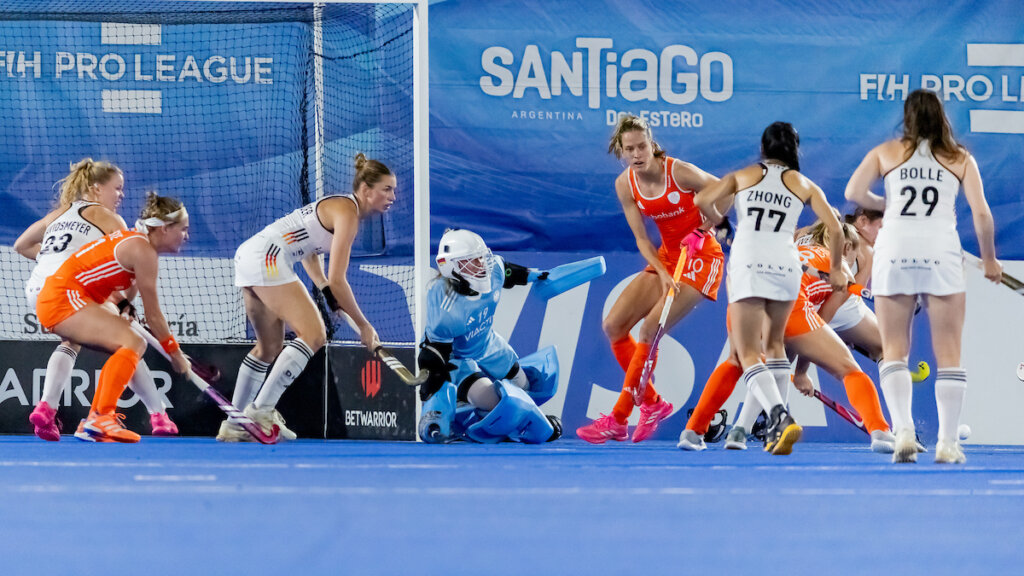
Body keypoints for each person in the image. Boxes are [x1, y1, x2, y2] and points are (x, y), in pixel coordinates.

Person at [845, 89, 1001, 464]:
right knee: (949, 352)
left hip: (895, 250)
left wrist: (887, 203)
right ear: (941, 117)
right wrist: (990, 260)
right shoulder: (959, 157)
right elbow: (981, 214)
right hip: (940, 252)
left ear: (907, 118)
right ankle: (947, 442)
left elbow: (853, 191)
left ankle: (903, 432)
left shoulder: (887, 152)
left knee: (894, 350)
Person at [681, 121, 845, 456]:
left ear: (763, 147)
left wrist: (722, 224)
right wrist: (838, 268)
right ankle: (770, 424)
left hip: (750, 265)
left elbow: (702, 200)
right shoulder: (804, 184)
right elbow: (838, 230)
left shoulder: (743, 176)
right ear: (794, 149)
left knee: (747, 353)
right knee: (774, 345)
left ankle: (778, 415)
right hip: (787, 268)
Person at [217, 153, 393, 443]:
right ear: (366, 189)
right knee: (314, 334)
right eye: (386, 189)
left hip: (251, 255)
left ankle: (234, 423)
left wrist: (324, 289)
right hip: (269, 257)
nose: (392, 197)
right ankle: (261, 410)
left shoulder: (339, 207)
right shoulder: (348, 214)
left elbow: (310, 251)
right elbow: (339, 279)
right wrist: (364, 325)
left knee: (269, 347)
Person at [576, 113, 724, 444]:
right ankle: (654, 403)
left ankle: (618, 418)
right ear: (621, 151)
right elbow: (642, 240)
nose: (637, 154)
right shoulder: (625, 184)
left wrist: (705, 227)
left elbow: (726, 190)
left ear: (651, 144)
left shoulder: (678, 171)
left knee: (649, 329)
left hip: (701, 258)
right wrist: (661, 270)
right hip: (667, 257)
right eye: (629, 149)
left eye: (642, 146)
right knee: (614, 326)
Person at [684, 221, 895, 453]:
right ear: (846, 248)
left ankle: (699, 431)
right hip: (789, 304)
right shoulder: (841, 266)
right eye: (855, 256)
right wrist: (802, 372)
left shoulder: (791, 249)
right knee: (849, 369)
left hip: (745, 294)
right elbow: (820, 323)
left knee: (741, 362)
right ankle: (880, 432)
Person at [13, 159, 178, 441]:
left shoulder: (58, 213)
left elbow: (21, 245)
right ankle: (157, 416)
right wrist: (125, 304)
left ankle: (46, 409)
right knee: (127, 342)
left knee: (72, 341)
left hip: (37, 289)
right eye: (117, 188)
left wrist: (50, 258)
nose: (121, 195)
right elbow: (128, 266)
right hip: (69, 288)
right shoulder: (111, 220)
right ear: (96, 188)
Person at [416, 229, 561, 444]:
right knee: (495, 402)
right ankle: (464, 406)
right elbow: (435, 355)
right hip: (459, 359)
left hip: (488, 345)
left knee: (525, 388)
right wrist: (432, 392)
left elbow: (508, 271)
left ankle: (496, 417)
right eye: (473, 261)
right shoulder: (445, 308)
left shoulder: (493, 272)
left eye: (482, 257)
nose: (482, 264)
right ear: (451, 266)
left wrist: (534, 275)